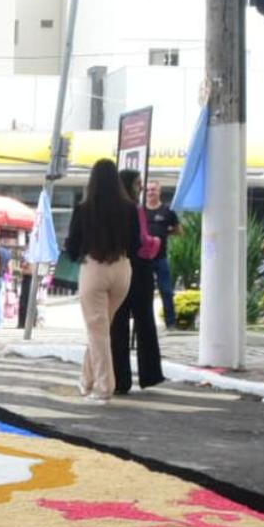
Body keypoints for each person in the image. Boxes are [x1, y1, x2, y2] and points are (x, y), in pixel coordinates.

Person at [65, 157, 140, 403]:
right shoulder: (130, 208)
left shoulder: (84, 208)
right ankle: (86, 381)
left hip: (94, 268)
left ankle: (103, 388)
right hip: (122, 269)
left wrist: (78, 254)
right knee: (101, 329)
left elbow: (73, 245)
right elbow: (135, 244)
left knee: (97, 330)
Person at [110, 168, 167, 395]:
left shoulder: (110, 210)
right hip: (139, 269)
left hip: (117, 269)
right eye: (138, 184)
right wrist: (156, 242)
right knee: (144, 322)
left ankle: (119, 378)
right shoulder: (136, 210)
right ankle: (149, 374)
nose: (141, 188)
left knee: (118, 324)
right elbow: (143, 242)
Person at [144, 180, 181, 329]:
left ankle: (171, 322)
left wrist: (165, 233)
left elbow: (179, 230)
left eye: (154, 190)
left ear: (159, 191)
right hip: (144, 259)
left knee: (166, 291)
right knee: (144, 292)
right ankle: (146, 322)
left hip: (161, 258)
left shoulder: (168, 211)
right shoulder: (141, 211)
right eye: (148, 190)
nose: (151, 192)